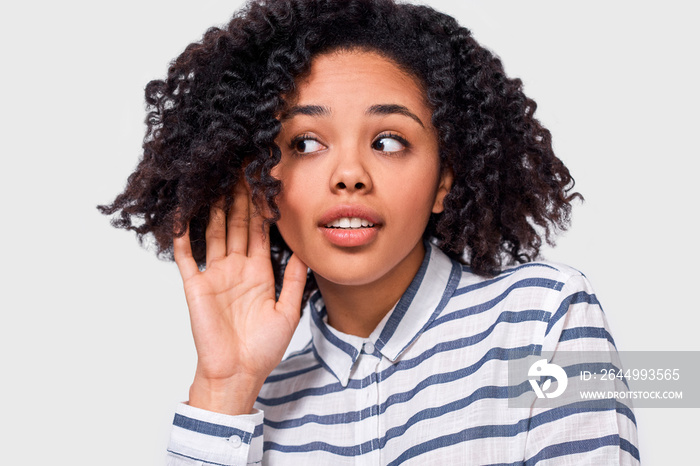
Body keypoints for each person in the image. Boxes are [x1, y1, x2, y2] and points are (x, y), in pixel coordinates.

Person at [99, 0, 639, 463]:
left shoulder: (547, 318)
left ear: (443, 181)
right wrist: (223, 390)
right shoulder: (255, 405)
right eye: (306, 143)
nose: (349, 174)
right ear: (263, 184)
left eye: (388, 141)